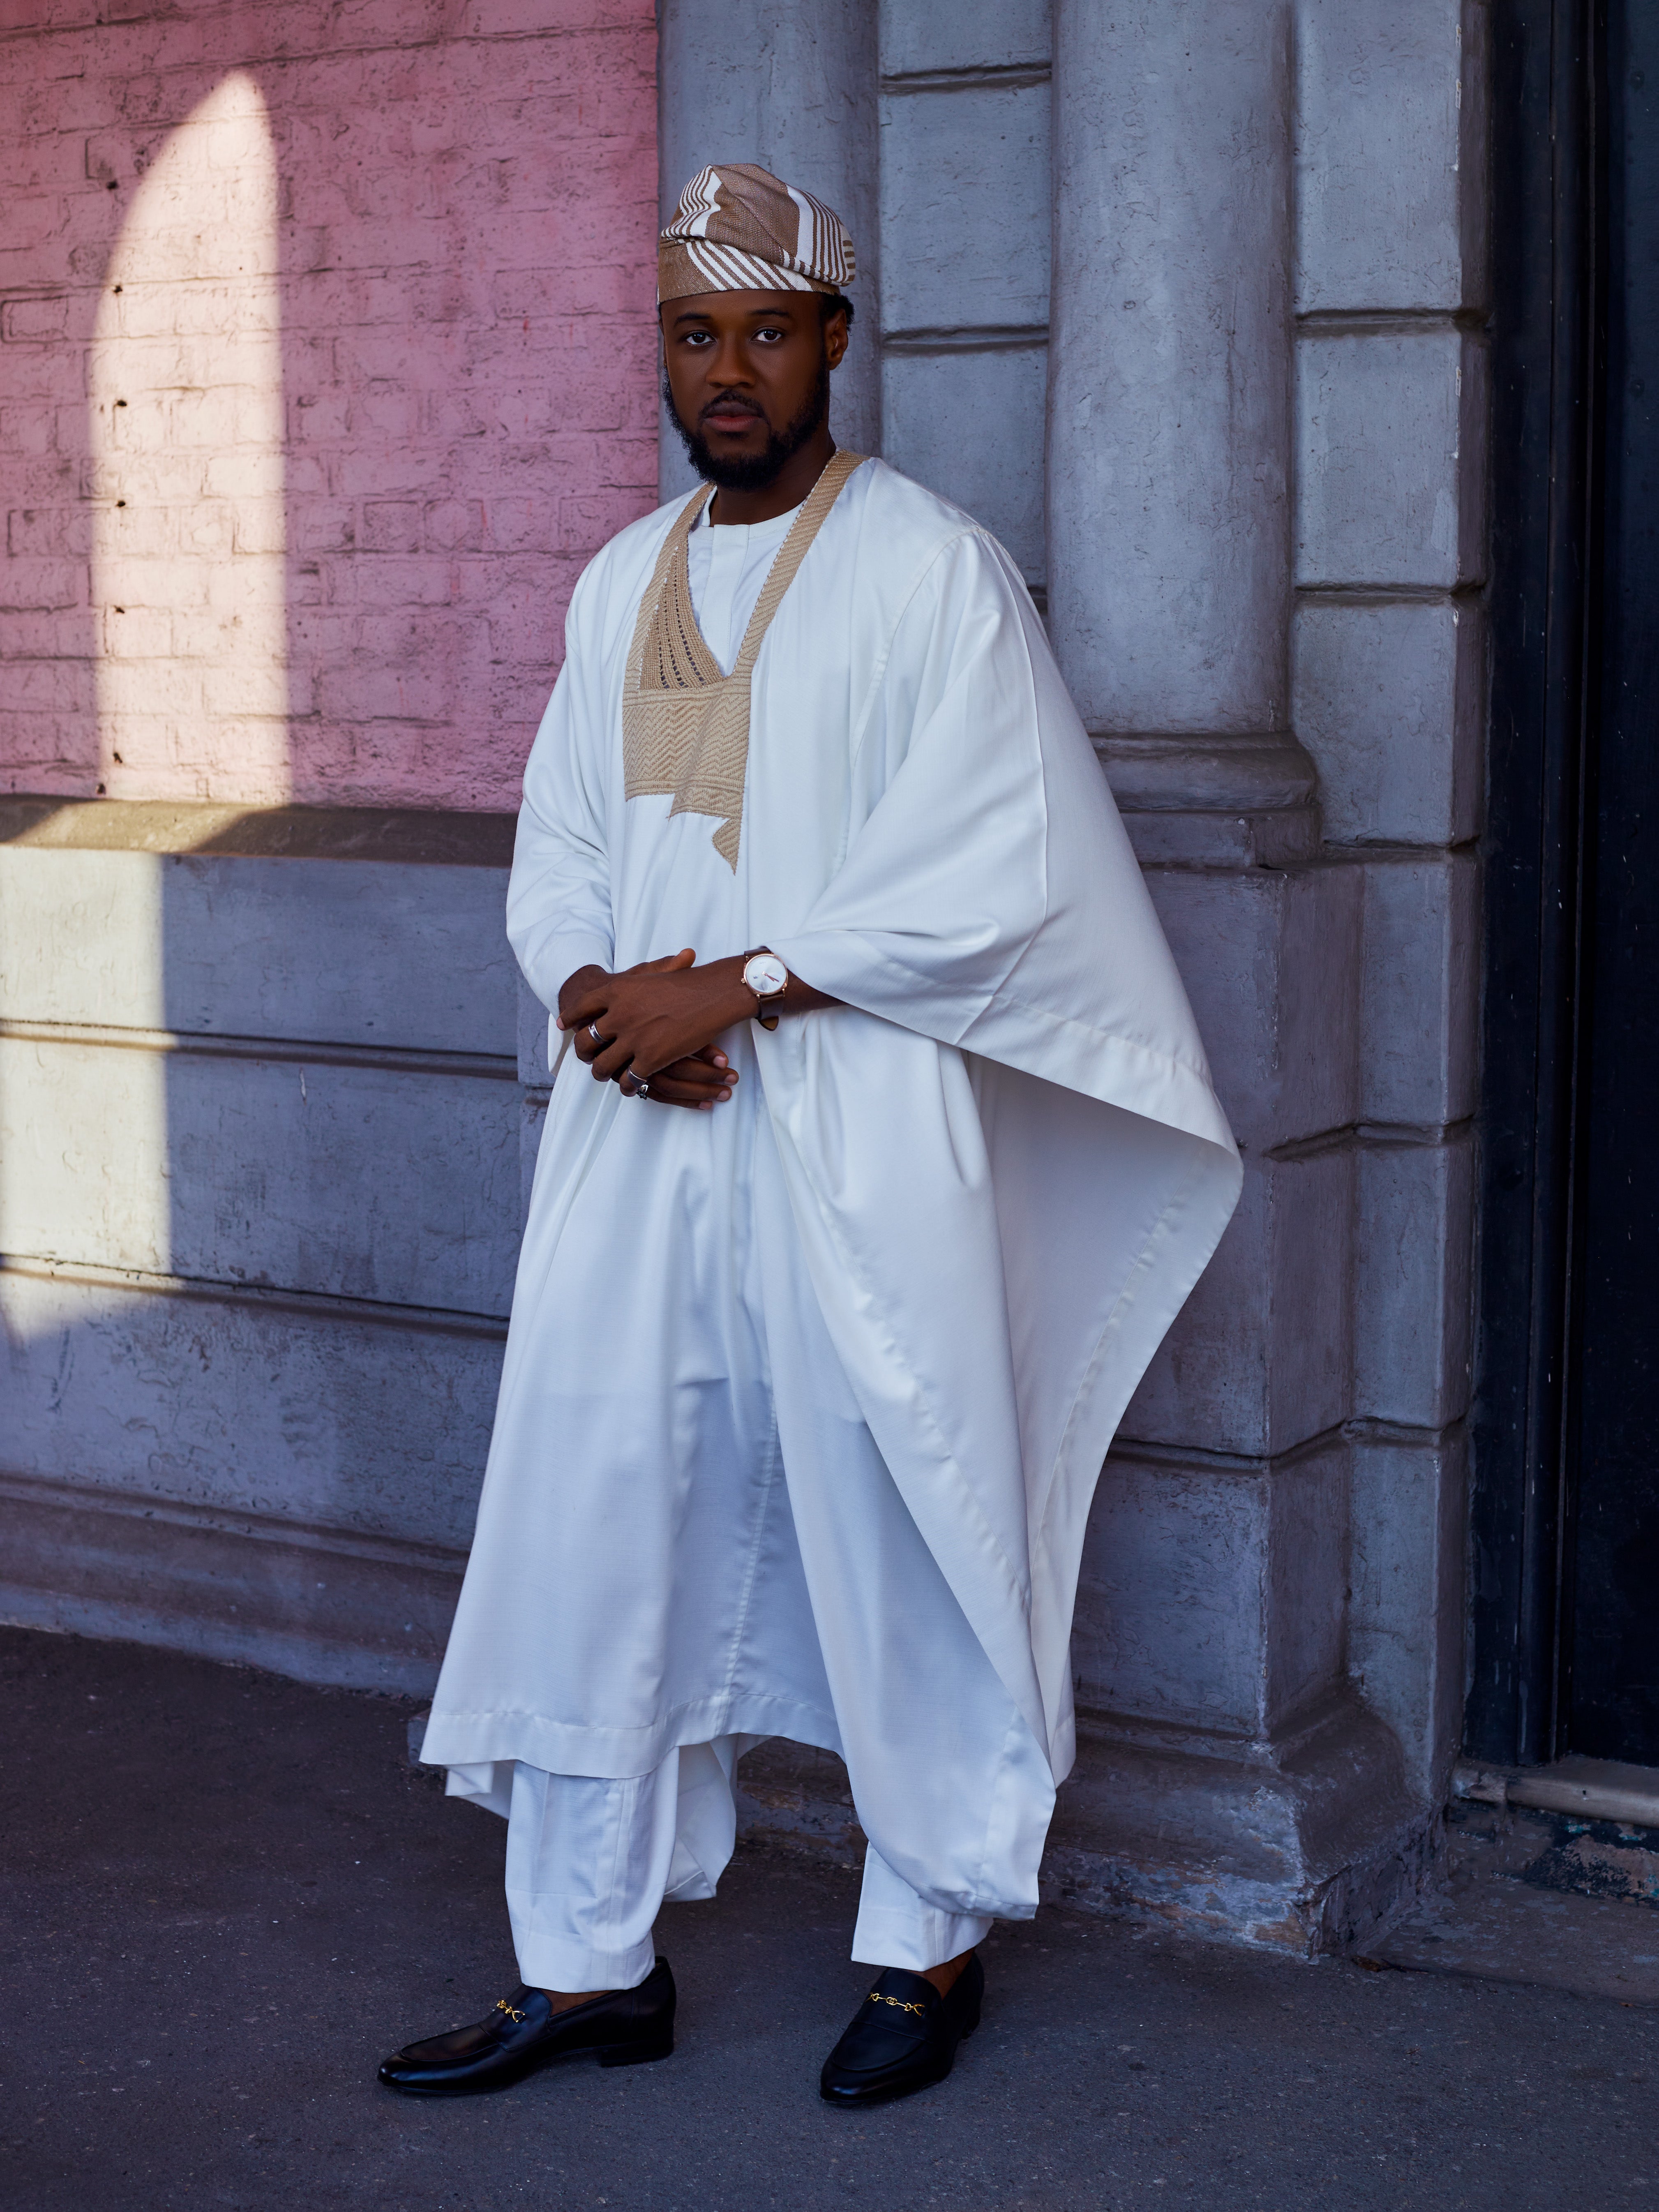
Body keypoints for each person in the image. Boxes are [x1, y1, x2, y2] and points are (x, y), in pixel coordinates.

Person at [379, 162, 1240, 2109]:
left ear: (832, 338)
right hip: (642, 1129)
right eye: (694, 334)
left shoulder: (931, 568)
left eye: (765, 331)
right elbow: (561, 842)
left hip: (857, 1120)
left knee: (896, 1507)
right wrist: (596, 995)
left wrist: (742, 980)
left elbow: (994, 865)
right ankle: (583, 1962)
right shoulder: (619, 579)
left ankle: (925, 1937)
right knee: (598, 1508)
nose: (728, 369)